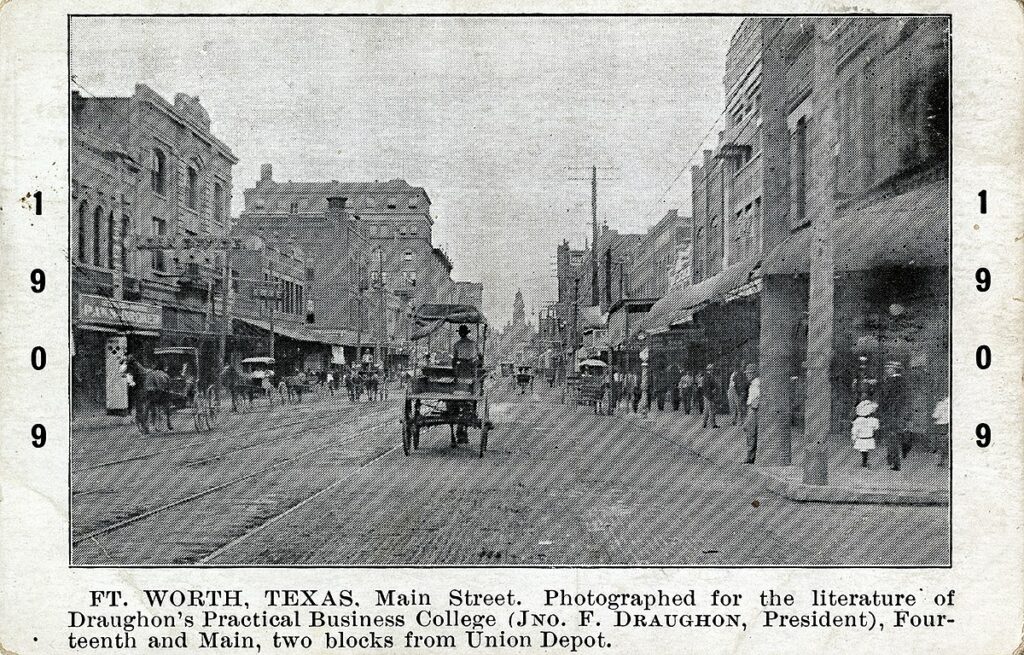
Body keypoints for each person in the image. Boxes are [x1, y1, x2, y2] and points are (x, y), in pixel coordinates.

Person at [878, 360, 911, 471]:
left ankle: (895, 463)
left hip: (892, 413)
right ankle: (891, 459)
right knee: (893, 437)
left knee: (892, 437)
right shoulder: (902, 381)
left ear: (894, 370)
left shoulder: (891, 381)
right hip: (898, 413)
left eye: (888, 368)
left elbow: (886, 398)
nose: (886, 370)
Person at [851, 399, 880, 468]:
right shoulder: (873, 420)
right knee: (864, 450)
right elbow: (876, 428)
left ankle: (864, 462)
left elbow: (854, 431)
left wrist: (854, 438)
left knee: (864, 451)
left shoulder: (858, 420)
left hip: (863, 438)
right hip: (866, 438)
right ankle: (865, 462)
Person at [742, 363, 760, 463]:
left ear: (753, 373)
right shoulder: (754, 383)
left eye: (749, 373)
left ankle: (750, 457)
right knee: (749, 431)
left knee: (751, 433)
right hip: (751, 409)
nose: (747, 375)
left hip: (753, 410)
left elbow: (758, 397)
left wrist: (753, 407)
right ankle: (750, 455)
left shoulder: (757, 383)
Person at [701, 364, 718, 429]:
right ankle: (713, 424)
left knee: (707, 410)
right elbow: (707, 387)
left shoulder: (709, 376)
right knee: (711, 410)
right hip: (709, 395)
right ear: (709, 370)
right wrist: (712, 392)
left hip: (708, 395)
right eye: (712, 369)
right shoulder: (707, 377)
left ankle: (704, 424)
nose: (713, 370)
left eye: (713, 369)